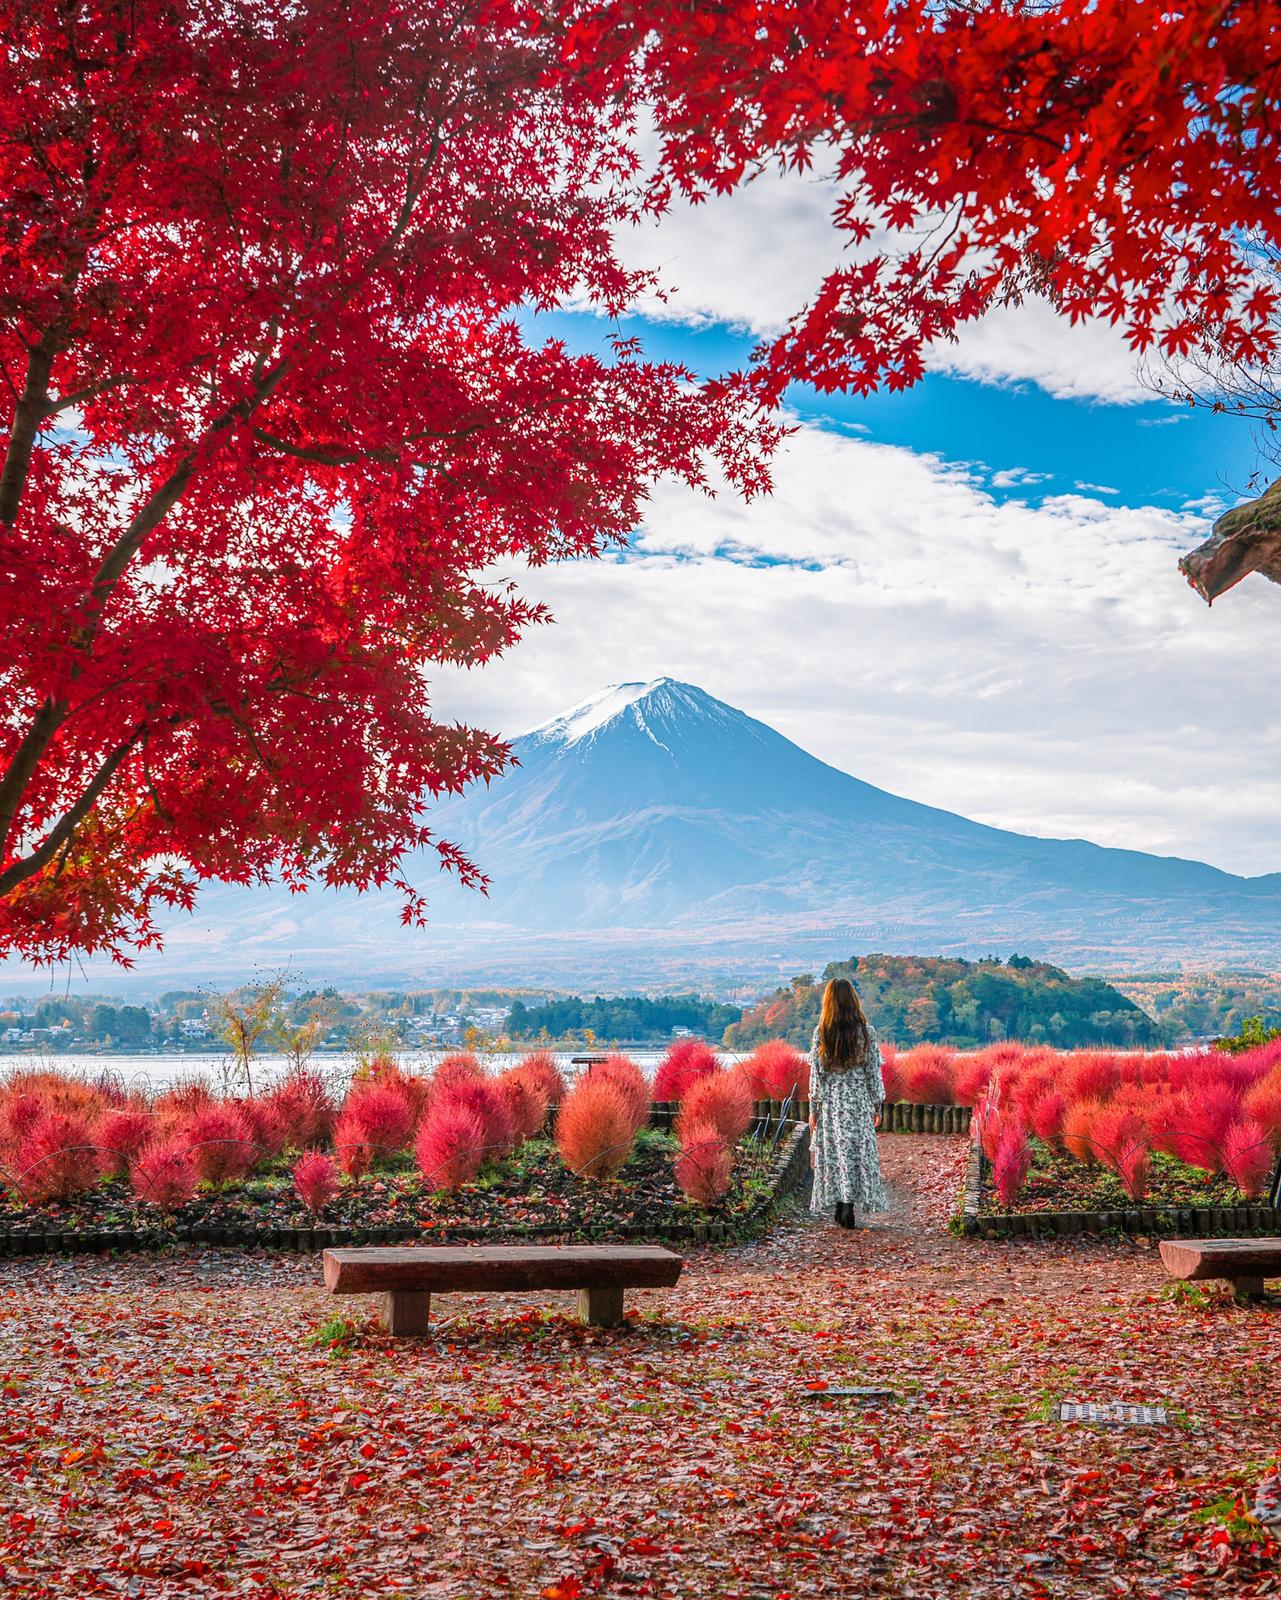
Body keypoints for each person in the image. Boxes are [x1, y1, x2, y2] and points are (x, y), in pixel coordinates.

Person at [807, 976, 888, 1228]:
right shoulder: (866, 1032)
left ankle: (841, 1204)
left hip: (832, 1102)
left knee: (835, 1153)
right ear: (853, 1000)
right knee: (856, 1153)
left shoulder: (821, 1033)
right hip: (857, 1100)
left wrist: (814, 1109)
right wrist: (877, 1104)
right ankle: (848, 1205)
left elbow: (816, 1074)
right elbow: (873, 1071)